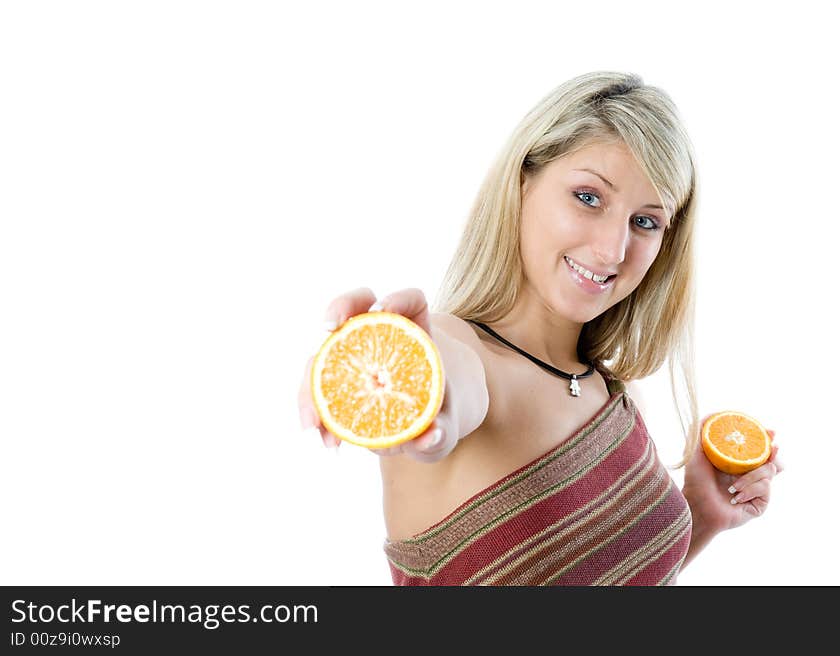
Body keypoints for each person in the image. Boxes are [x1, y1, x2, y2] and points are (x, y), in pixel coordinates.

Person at [298, 71, 783, 585]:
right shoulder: (461, 350)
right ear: (523, 182)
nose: (612, 250)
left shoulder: (618, 397)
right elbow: (447, 384)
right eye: (589, 197)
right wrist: (396, 376)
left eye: (645, 221)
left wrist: (699, 519)